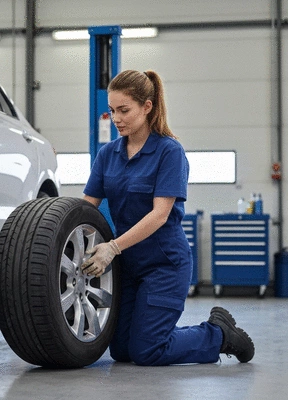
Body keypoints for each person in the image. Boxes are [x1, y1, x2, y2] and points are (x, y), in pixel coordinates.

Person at [81, 69, 254, 366]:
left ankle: (219, 334)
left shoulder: (168, 152)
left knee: (147, 351)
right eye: (112, 111)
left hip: (164, 265)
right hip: (128, 266)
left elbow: (160, 215)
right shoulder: (108, 154)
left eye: (124, 110)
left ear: (147, 106)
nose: (117, 119)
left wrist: (112, 247)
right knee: (121, 350)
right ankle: (178, 335)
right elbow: (86, 206)